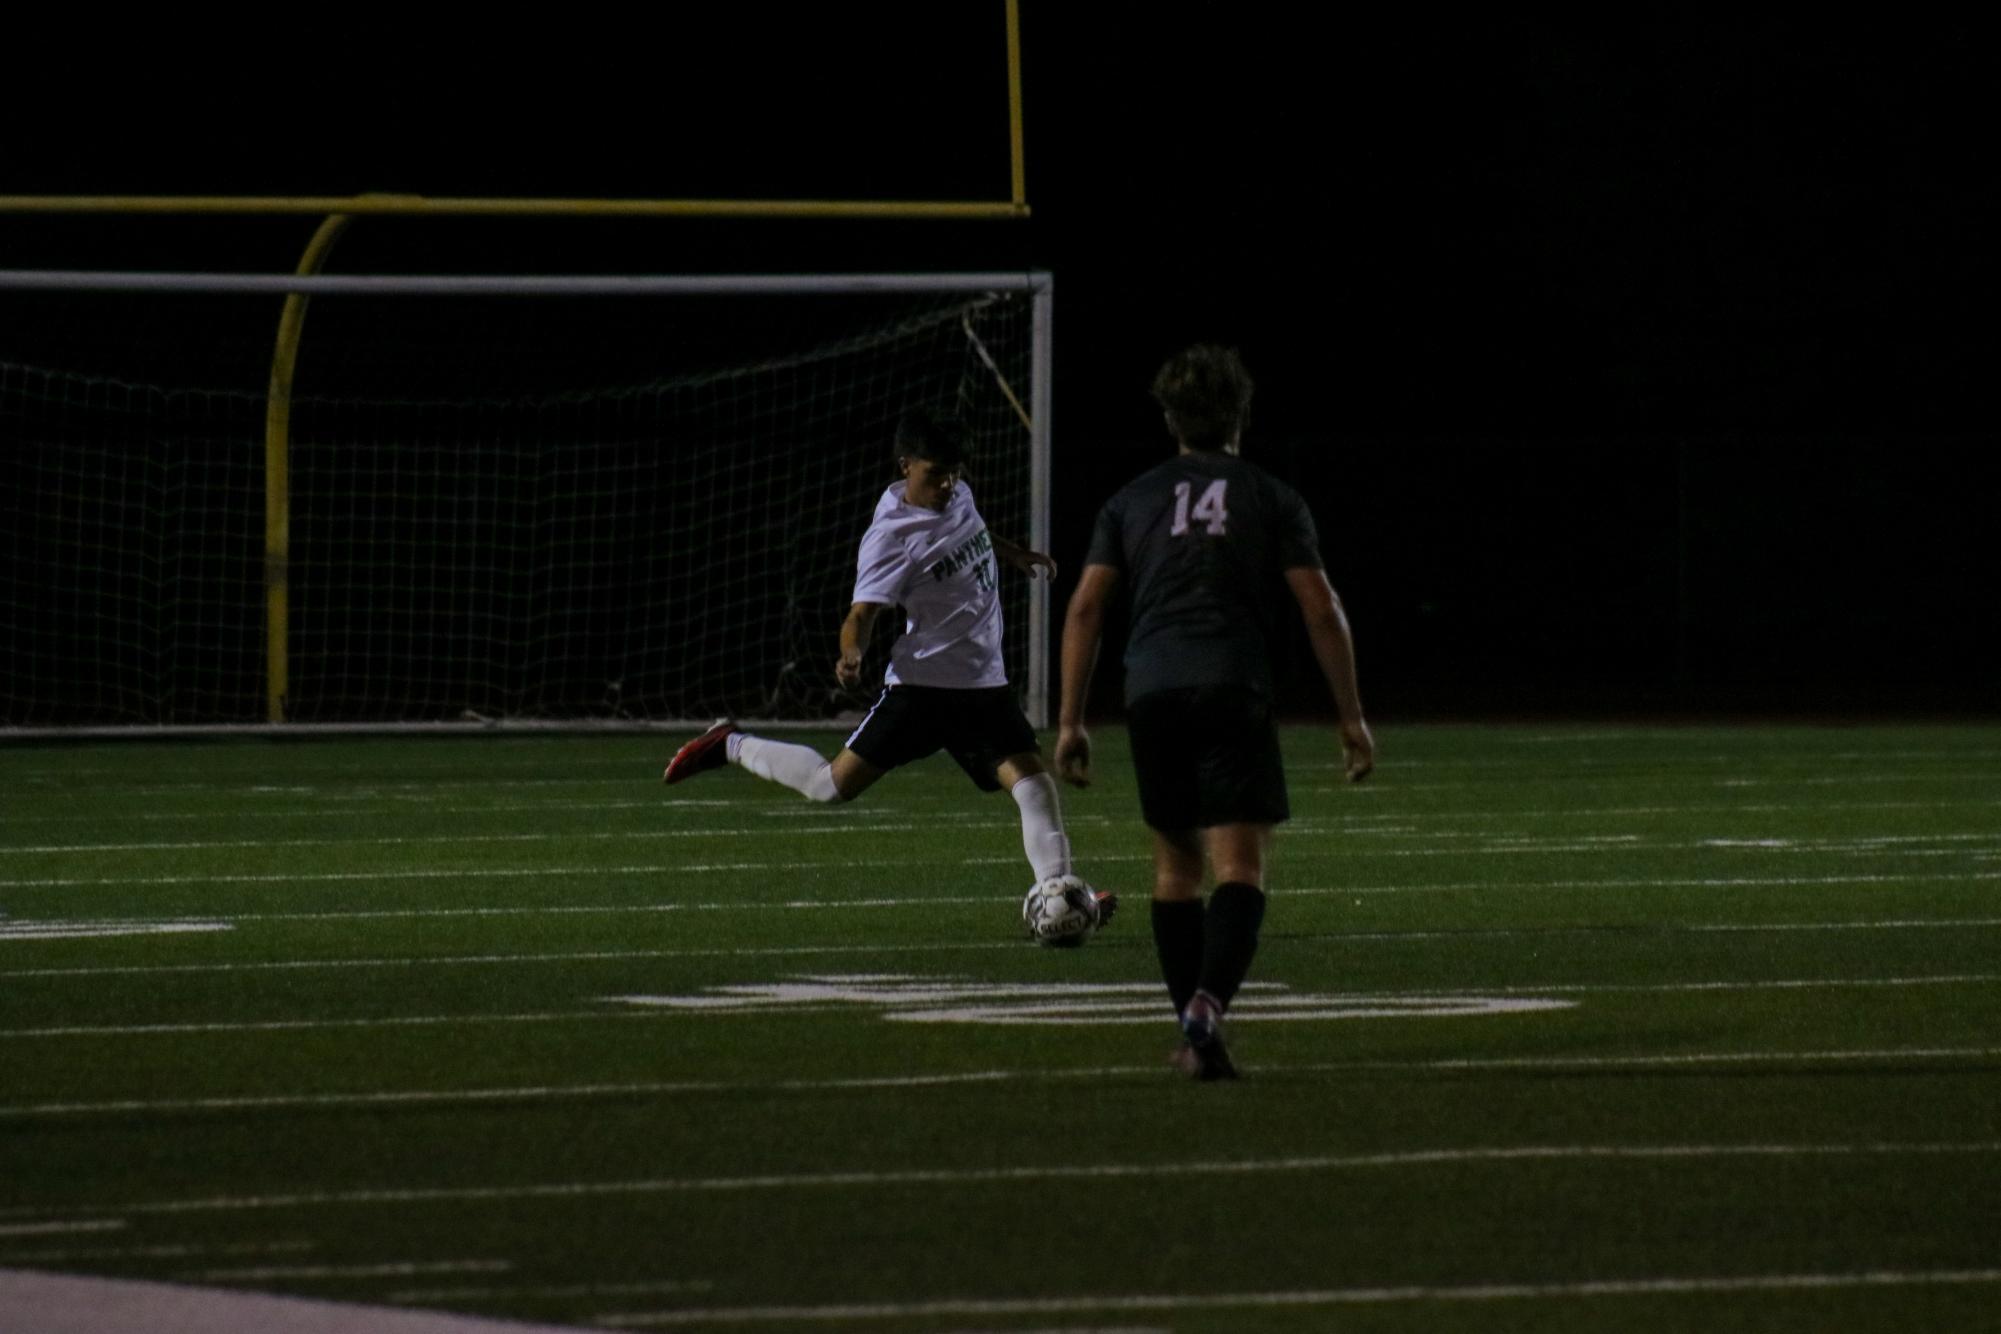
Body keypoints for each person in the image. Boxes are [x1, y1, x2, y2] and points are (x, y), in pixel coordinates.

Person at [664, 408, 1114, 929]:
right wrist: (851, 652)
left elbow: (972, 534)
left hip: (984, 685)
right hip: (922, 692)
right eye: (934, 474)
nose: (947, 484)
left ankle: (1061, 897)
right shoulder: (890, 537)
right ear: (906, 466)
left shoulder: (957, 494)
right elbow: (861, 614)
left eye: (954, 472)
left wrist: (1011, 554)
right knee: (828, 787)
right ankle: (729, 743)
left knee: (1035, 786)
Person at [1056, 344, 1372, 1079]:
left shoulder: (1129, 499)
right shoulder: (1270, 495)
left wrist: (1070, 720)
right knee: (1240, 864)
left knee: (1174, 868)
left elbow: (1085, 609)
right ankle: (1209, 1004)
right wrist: (1349, 715)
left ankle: (1191, 1037)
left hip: (1151, 690)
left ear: (1169, 418)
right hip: (1233, 684)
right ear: (1242, 416)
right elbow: (1320, 607)